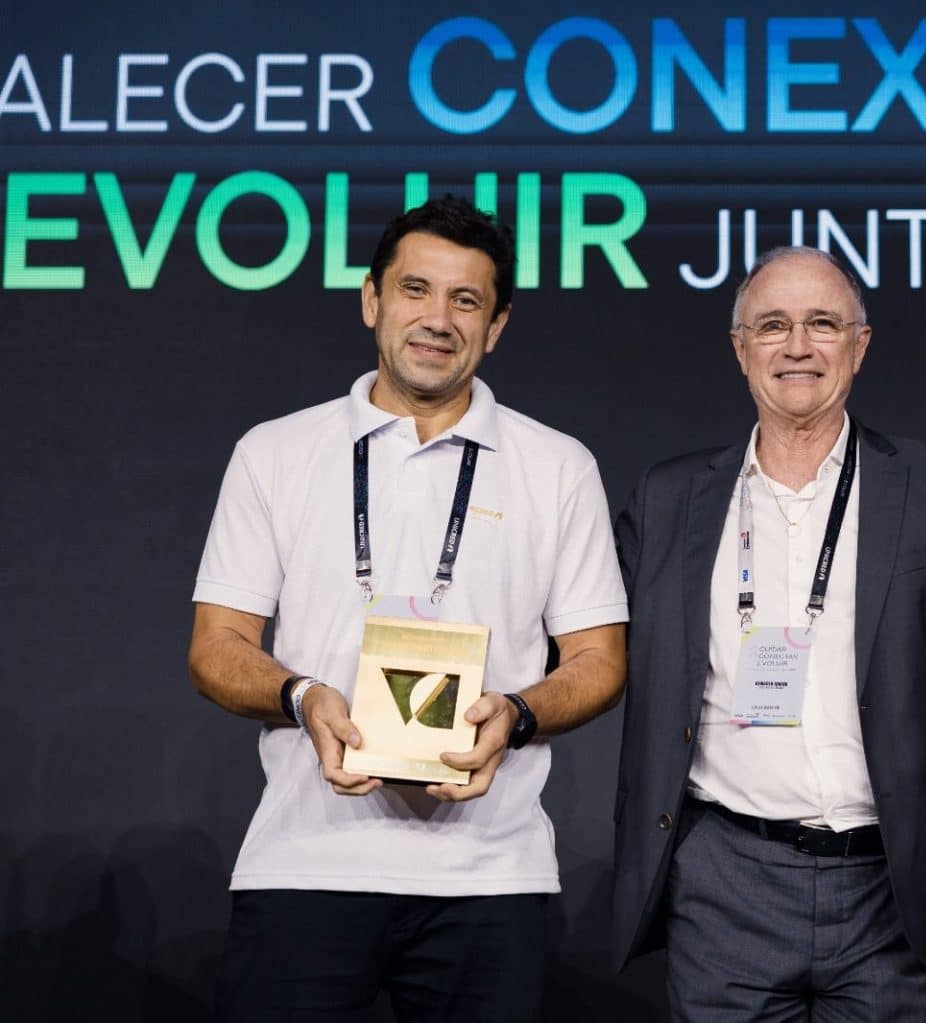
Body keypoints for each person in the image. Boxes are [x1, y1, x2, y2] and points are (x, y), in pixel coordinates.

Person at [188, 195, 628, 1023]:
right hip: (306, 861)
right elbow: (217, 644)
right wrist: (303, 696)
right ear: (372, 300)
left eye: (466, 300)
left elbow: (600, 659)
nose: (437, 319)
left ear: (496, 326)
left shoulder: (558, 465)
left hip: (489, 874)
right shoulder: (275, 451)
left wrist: (518, 714)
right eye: (415, 289)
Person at [611, 246, 926, 1020]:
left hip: (891, 880)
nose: (797, 346)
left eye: (823, 324)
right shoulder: (669, 496)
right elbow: (591, 642)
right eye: (772, 325)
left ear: (860, 345)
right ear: (740, 348)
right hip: (723, 877)